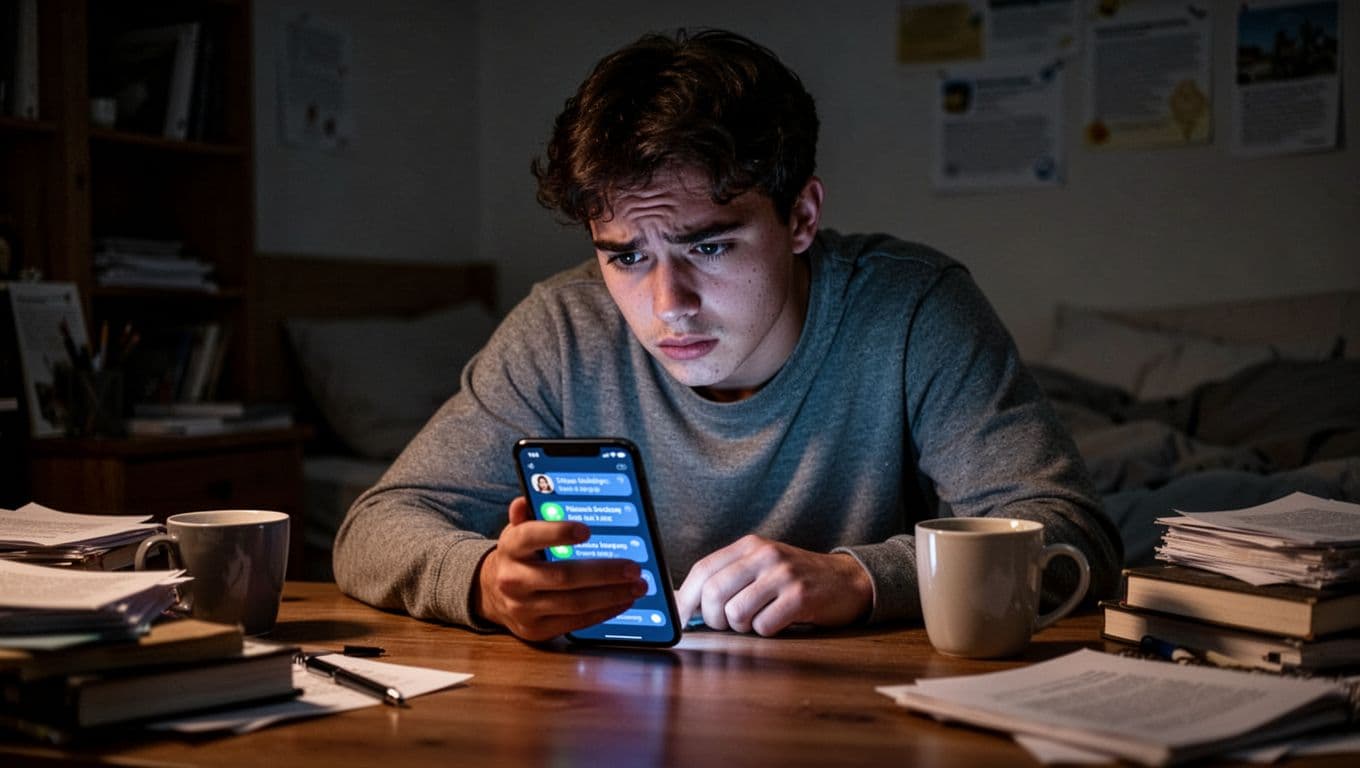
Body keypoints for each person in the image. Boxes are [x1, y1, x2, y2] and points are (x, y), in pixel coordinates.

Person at [333, 28, 1122, 641]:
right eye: (626, 256)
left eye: (708, 246)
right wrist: (484, 583)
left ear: (802, 216)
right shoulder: (562, 327)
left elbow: (1070, 534)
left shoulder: (916, 306)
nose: (666, 303)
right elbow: (374, 526)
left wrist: (862, 578)